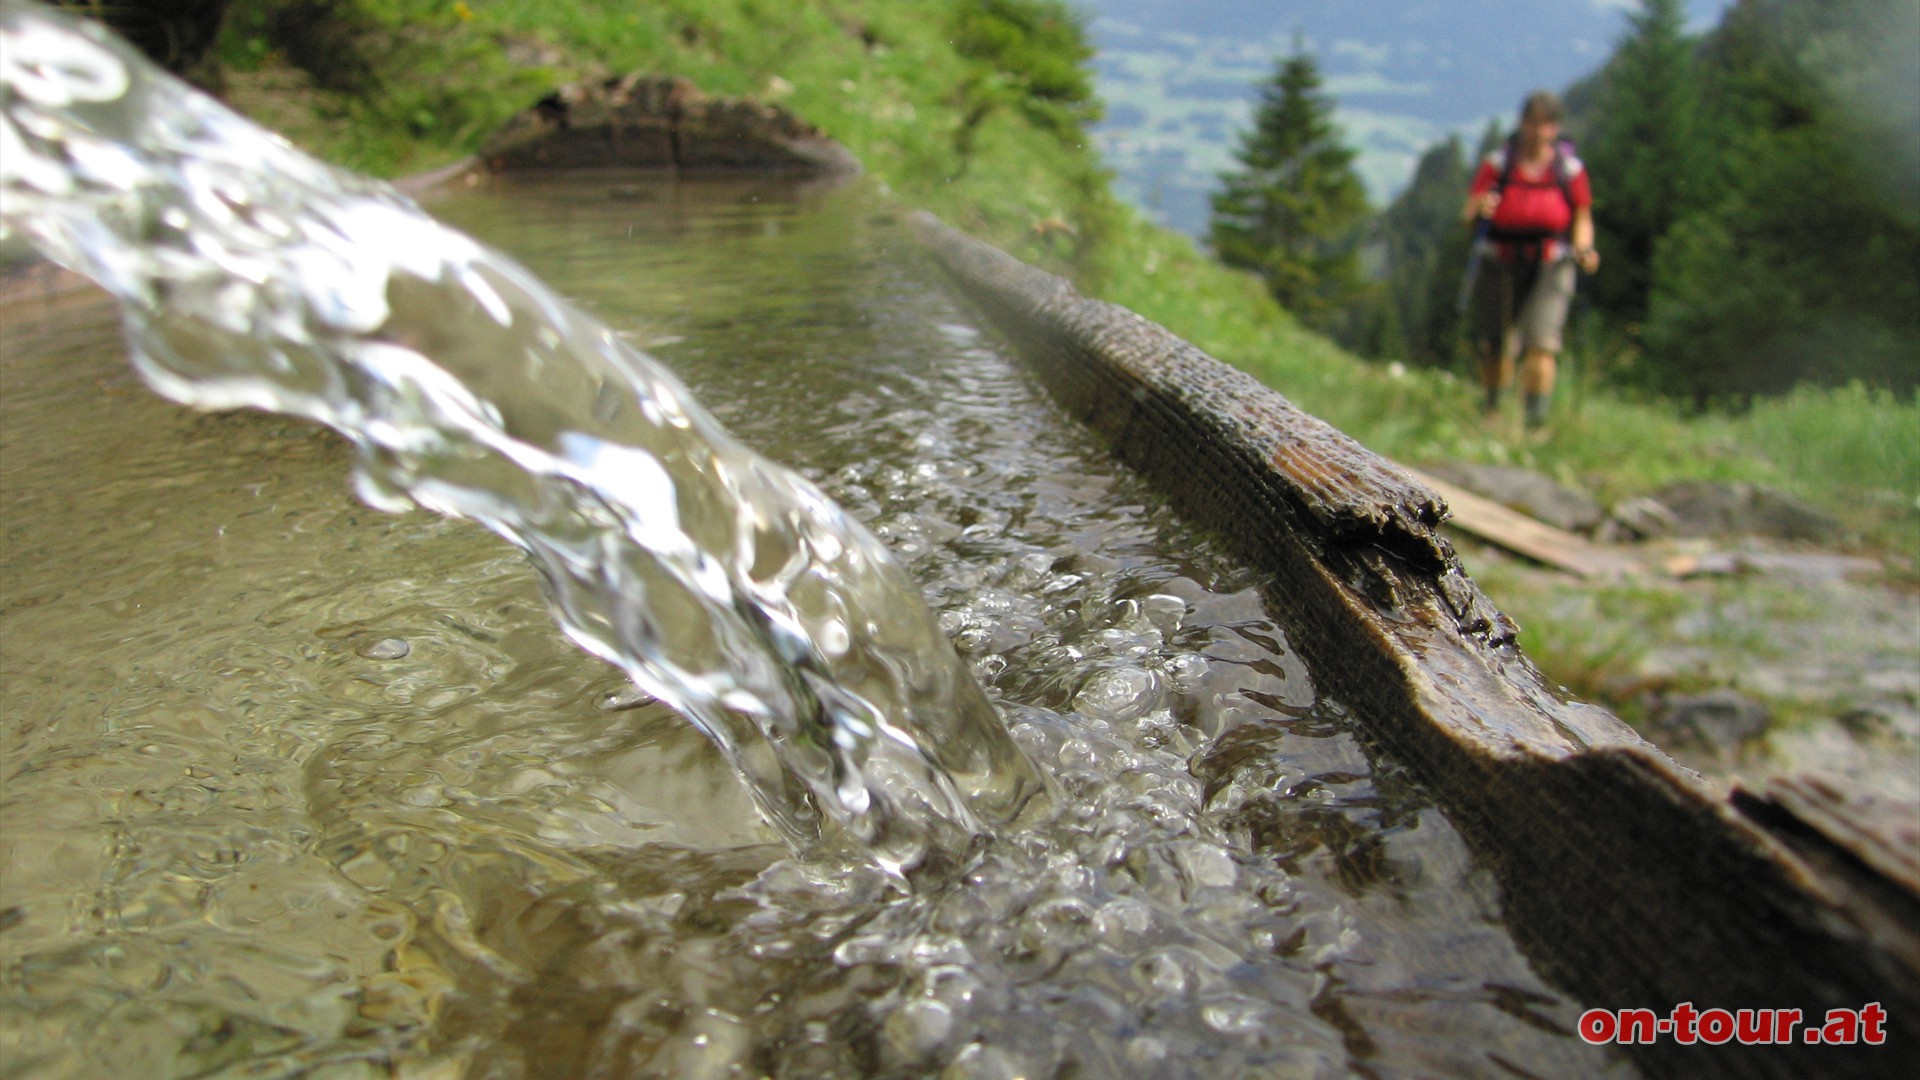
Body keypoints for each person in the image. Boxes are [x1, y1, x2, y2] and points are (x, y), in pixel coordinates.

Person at [1463, 91, 1600, 428]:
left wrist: (1584, 248)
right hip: (1501, 259)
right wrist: (1479, 210)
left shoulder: (1569, 170)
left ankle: (1534, 422)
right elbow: (1469, 212)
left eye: (1547, 124)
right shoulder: (1498, 165)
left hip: (1552, 264)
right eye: (1533, 123)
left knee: (1542, 343)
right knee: (1497, 342)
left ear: (1556, 128)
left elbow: (1582, 215)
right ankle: (1492, 409)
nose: (1539, 132)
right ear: (1522, 123)